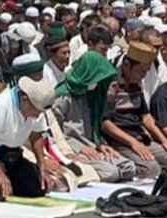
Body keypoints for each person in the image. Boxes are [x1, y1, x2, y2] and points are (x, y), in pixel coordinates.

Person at [102, 42, 167, 179]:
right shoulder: (112, 85)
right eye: (141, 71)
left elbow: (146, 117)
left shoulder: (137, 85)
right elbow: (106, 124)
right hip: (121, 141)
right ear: (127, 66)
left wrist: (164, 140)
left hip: (141, 137)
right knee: (151, 168)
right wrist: (133, 143)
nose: (144, 75)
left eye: (146, 71)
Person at [53, 50, 136, 182]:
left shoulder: (92, 94)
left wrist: (101, 144)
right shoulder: (63, 96)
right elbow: (54, 134)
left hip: (92, 147)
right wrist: (79, 147)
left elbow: (95, 126)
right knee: (110, 172)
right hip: (73, 149)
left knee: (128, 167)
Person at [0, 77, 58, 198]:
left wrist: (42, 168)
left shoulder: (36, 109)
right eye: (35, 112)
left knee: (38, 188)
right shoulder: (1, 106)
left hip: (12, 155)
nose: (37, 116)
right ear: (24, 99)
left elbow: (36, 136)